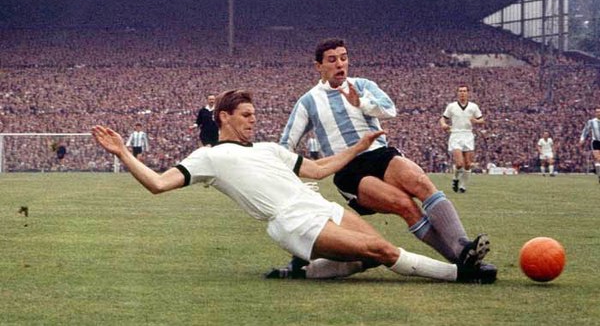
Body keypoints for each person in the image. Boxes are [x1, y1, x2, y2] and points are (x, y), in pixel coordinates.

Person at [91, 89, 496, 284]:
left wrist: (358, 146)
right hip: (291, 220)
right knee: (383, 250)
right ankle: (460, 274)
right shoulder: (209, 157)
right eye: (246, 114)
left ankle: (302, 274)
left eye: (254, 114)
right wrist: (125, 154)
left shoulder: (269, 149)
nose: (253, 120)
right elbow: (159, 185)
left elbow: (319, 170)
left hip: (317, 205)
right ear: (224, 117)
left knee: (370, 259)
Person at [275, 38, 493, 278]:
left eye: (344, 58)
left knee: (421, 183)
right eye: (332, 59)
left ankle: (463, 252)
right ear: (319, 66)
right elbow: (286, 144)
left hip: (380, 154)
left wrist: (362, 103)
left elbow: (390, 109)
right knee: (404, 205)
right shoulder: (308, 101)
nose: (340, 64)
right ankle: (462, 260)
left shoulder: (363, 85)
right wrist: (291, 176)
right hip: (349, 168)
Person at [440, 85, 485, 193]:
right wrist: (443, 125)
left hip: (468, 135)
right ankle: (455, 179)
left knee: (468, 164)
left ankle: (463, 186)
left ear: (468, 93)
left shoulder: (473, 106)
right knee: (459, 163)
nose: (462, 93)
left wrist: (476, 121)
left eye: (464, 91)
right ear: (457, 93)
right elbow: (443, 118)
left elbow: (482, 120)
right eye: (460, 91)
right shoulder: (452, 106)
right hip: (456, 134)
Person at [579, 107, 600, 183]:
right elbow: (585, 130)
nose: (599, 113)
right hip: (596, 142)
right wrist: (582, 139)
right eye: (597, 112)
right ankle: (599, 175)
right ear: (595, 113)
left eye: (599, 112)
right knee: (597, 158)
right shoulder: (591, 122)